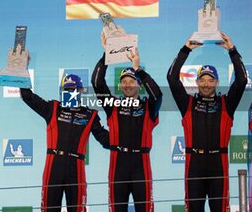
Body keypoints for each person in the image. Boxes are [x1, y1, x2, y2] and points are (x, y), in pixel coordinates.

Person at [167, 32, 247, 212]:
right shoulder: (187, 103)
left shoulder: (227, 103)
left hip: (218, 164)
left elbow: (241, 81)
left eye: (210, 80)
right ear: (196, 82)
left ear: (217, 82)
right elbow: (172, 79)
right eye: (202, 80)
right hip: (194, 163)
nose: (206, 84)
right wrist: (185, 50)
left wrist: (232, 51)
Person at [91, 33, 162, 212]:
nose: (128, 84)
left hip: (141, 163)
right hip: (118, 164)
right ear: (120, 86)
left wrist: (138, 70)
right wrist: (107, 54)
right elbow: (97, 82)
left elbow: (157, 94)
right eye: (124, 82)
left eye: (132, 81)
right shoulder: (113, 105)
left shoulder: (149, 107)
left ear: (138, 84)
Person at [20, 74, 110, 212]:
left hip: (76, 167)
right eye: (66, 89)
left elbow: (105, 139)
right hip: (54, 166)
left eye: (73, 89)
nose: (70, 92)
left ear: (81, 91)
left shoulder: (90, 114)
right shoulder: (53, 108)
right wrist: (21, 70)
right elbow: (27, 96)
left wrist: (127, 141)